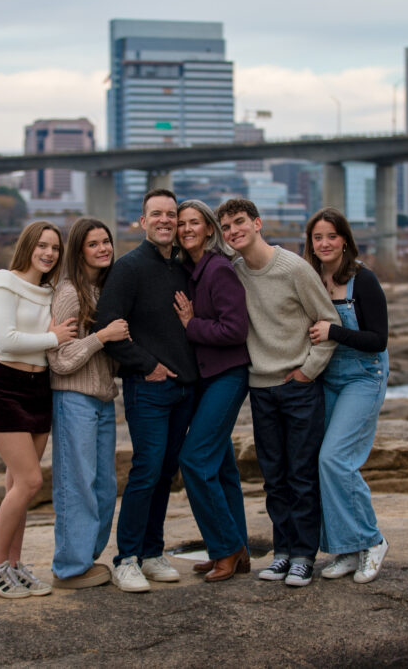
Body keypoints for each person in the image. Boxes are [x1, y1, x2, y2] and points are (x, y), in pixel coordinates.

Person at [216, 197, 339, 587]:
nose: (234, 231)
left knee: (302, 474)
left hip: (298, 386)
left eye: (240, 223)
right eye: (227, 228)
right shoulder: (234, 272)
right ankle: (282, 551)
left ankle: (304, 555)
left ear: (257, 223)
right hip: (261, 388)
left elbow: (329, 321)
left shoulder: (294, 269)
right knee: (274, 476)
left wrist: (308, 370)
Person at [93, 189, 199, 593]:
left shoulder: (184, 267)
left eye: (171, 214)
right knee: (147, 469)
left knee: (166, 472)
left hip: (184, 390)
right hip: (148, 389)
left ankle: (153, 552)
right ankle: (127, 558)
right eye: (156, 214)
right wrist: (148, 366)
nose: (165, 220)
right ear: (142, 221)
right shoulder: (128, 268)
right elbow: (110, 329)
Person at [0, 220, 77, 599]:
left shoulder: (50, 291)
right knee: (31, 481)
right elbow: (6, 340)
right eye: (43, 245)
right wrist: (54, 337)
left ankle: (14, 565)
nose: (49, 253)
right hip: (5, 388)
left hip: (39, 389)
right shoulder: (3, 280)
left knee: (18, 484)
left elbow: (44, 343)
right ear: (28, 245)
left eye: (55, 248)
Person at [305, 208, 391, 584]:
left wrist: (334, 332)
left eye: (331, 236)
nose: (324, 243)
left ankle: (372, 540)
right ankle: (346, 547)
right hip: (326, 378)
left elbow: (378, 339)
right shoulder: (309, 279)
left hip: (362, 376)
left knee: (335, 459)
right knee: (319, 463)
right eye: (317, 237)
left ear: (344, 241)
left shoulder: (363, 280)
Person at [47, 218, 130, 589]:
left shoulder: (103, 290)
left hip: (101, 400)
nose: (103, 248)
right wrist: (101, 337)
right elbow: (59, 360)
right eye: (93, 244)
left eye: (106, 241)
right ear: (79, 252)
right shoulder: (69, 292)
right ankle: (69, 567)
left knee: (104, 486)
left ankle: (87, 559)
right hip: (73, 400)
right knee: (76, 483)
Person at [171, 199, 251, 582]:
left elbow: (235, 330)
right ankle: (240, 550)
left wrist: (191, 325)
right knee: (221, 467)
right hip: (208, 378)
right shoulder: (192, 269)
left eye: (194, 223)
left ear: (208, 228)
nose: (186, 228)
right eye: (181, 223)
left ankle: (225, 548)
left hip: (228, 376)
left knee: (194, 459)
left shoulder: (218, 269)